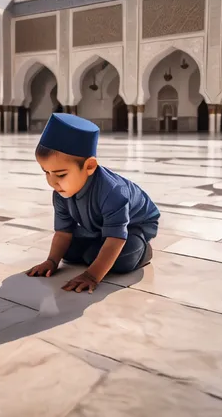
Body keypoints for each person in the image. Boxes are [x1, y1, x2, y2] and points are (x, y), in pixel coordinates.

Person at [26, 113, 160, 294]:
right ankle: (97, 244)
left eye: (61, 174)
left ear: (89, 166)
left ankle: (143, 250)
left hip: (134, 226)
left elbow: (116, 239)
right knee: (69, 252)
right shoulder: (61, 192)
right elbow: (63, 232)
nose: (52, 182)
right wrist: (51, 261)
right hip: (99, 226)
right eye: (46, 173)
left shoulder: (113, 192)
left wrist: (92, 275)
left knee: (117, 260)